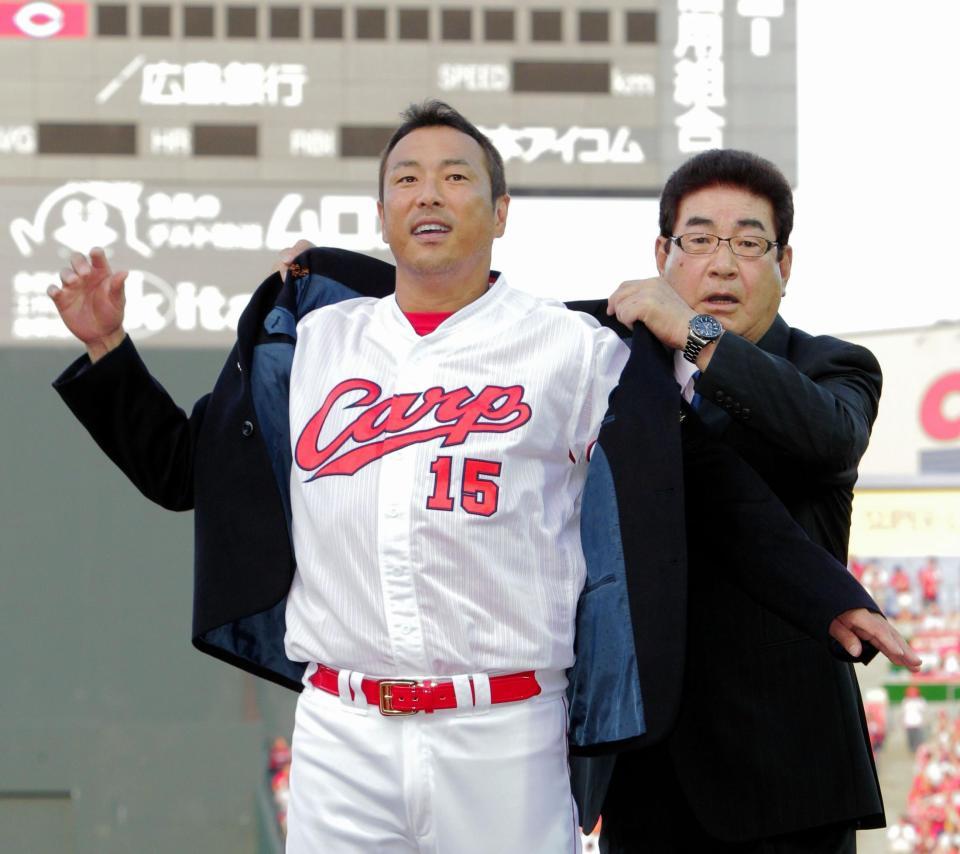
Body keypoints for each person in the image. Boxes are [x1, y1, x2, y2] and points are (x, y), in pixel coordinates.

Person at [48, 105, 916, 853]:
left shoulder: (571, 350)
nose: (429, 194)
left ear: (502, 212)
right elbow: (185, 470)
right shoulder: (310, 342)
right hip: (342, 728)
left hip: (507, 729)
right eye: (407, 180)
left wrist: (819, 590)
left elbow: (707, 484)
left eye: (457, 177)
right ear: (380, 213)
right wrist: (108, 354)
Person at [581, 148, 899, 852]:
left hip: (788, 775)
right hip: (647, 769)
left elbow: (825, 438)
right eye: (698, 240)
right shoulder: (609, 368)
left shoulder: (834, 367)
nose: (722, 265)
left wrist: (694, 336)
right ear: (663, 253)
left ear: (786, 264)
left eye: (749, 243)